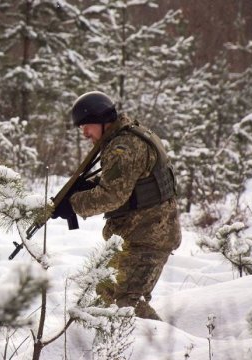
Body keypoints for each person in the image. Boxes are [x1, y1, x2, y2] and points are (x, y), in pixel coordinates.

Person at [54, 91, 181, 320]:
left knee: (127, 303)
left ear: (104, 121)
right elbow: (120, 181)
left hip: (151, 237)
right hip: (137, 234)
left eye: (87, 126)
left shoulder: (125, 147)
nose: (84, 133)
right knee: (105, 290)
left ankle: (173, 349)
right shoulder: (124, 137)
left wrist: (73, 204)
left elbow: (112, 196)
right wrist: (81, 191)